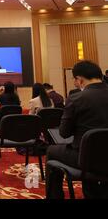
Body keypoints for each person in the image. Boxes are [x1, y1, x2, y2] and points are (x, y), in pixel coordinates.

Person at [46, 60, 108, 199]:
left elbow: (64, 133)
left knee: (51, 150)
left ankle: (54, 196)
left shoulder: (76, 98)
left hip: (86, 156)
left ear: (79, 80)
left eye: (74, 80)